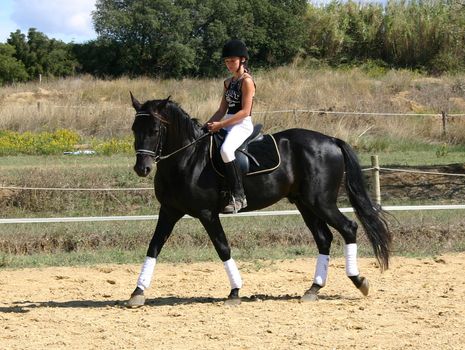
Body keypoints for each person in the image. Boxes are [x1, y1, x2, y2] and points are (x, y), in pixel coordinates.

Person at [206, 39, 255, 214]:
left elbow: (245, 111)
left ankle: (239, 196)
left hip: (241, 124)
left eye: (232, 61)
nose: (229, 64)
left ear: (242, 60)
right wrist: (207, 125)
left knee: (226, 150)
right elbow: (221, 109)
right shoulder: (228, 83)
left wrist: (221, 125)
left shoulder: (247, 81)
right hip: (227, 122)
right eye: (226, 61)